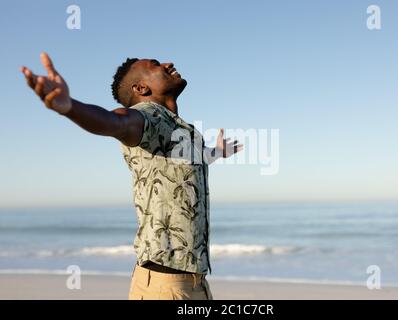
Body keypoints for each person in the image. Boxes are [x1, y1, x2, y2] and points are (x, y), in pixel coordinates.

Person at [21, 53, 243, 300]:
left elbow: (180, 165)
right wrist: (70, 107)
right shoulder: (145, 116)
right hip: (166, 286)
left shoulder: (178, 129)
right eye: (156, 65)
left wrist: (216, 152)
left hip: (194, 284)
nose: (168, 64)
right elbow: (115, 122)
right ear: (141, 88)